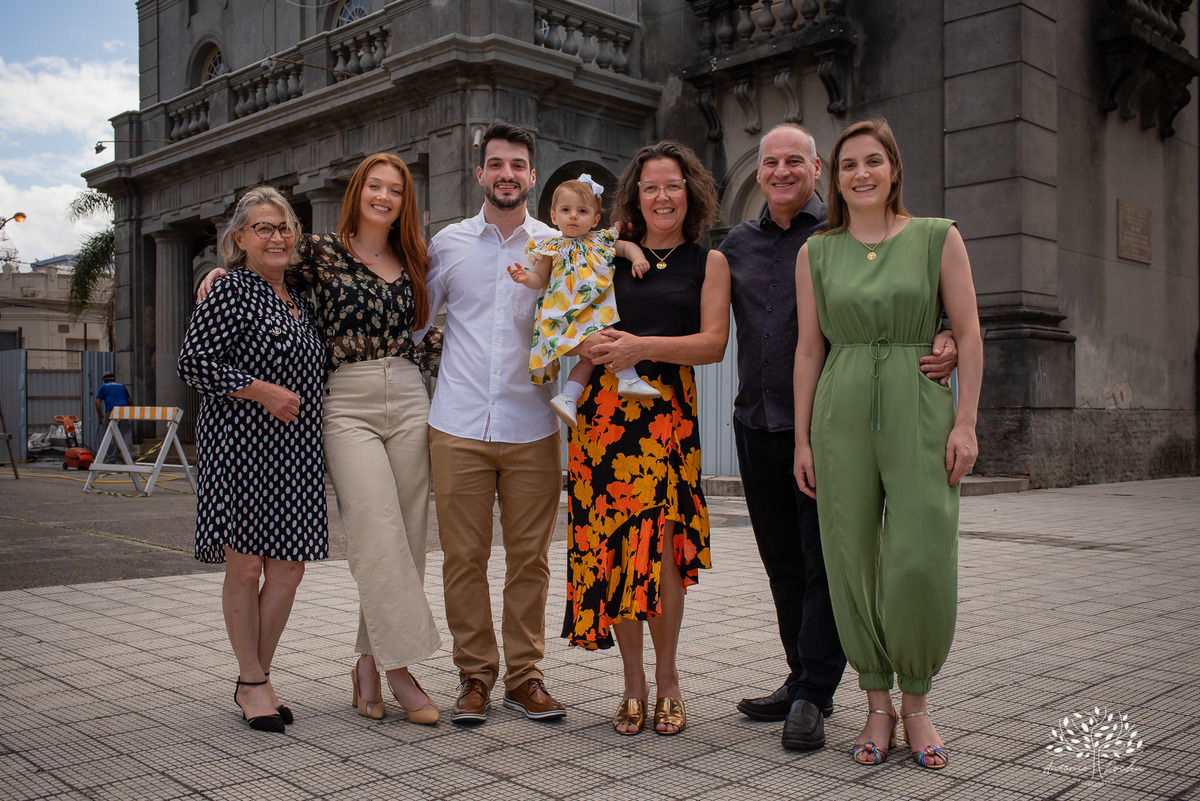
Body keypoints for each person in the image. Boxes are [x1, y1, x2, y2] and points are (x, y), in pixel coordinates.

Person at [720, 123, 958, 752]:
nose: (780, 172)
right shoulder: (738, 243)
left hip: (855, 419)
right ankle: (806, 677)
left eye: (794, 161)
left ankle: (817, 693)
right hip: (762, 422)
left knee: (851, 560)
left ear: (814, 168)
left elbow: (931, 302)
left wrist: (948, 338)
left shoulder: (844, 235)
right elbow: (739, 329)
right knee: (789, 566)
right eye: (769, 162)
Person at [196, 154, 443, 726]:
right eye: (374, 186)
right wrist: (217, 271)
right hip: (344, 401)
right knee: (375, 527)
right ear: (356, 191)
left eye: (396, 190)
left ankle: (367, 662)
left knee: (406, 536)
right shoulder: (319, 251)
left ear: (406, 201)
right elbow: (261, 260)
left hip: (407, 392)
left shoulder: (415, 258)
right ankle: (400, 667)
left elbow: (421, 335)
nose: (384, 197)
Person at [792, 119, 983, 769]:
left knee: (921, 551)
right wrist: (802, 437)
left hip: (919, 403)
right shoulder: (816, 252)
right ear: (835, 177)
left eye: (874, 161)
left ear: (894, 169)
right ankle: (876, 703)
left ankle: (917, 702)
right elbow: (809, 347)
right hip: (840, 407)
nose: (862, 174)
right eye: (849, 165)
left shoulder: (938, 236)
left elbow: (970, 330)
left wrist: (966, 421)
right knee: (850, 557)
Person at [562, 141, 730, 737]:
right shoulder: (603, 253)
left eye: (674, 186)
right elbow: (570, 314)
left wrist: (641, 346)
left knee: (661, 553)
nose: (663, 197)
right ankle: (631, 684)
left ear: (692, 194)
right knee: (612, 548)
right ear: (636, 195)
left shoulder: (708, 262)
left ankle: (668, 680)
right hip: (606, 413)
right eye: (652, 186)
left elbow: (712, 344)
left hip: (666, 416)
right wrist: (586, 344)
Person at [422, 123, 567, 725]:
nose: (507, 173)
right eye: (496, 164)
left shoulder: (558, 245)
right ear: (480, 173)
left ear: (532, 175)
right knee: (464, 559)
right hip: (457, 425)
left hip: (534, 424)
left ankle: (525, 677)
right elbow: (410, 317)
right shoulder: (447, 244)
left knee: (530, 559)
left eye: (519, 165)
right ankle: (475, 676)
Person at [178, 186, 327, 734]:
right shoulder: (231, 290)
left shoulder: (300, 298)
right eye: (262, 227)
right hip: (241, 448)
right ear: (237, 239)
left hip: (296, 451)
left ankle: (252, 677)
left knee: (288, 568)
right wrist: (259, 389)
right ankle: (255, 681)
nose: (276, 236)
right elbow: (194, 363)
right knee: (245, 565)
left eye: (284, 226)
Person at [507, 174, 658, 426]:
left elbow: (624, 248)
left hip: (591, 308)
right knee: (605, 343)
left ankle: (568, 397)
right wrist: (525, 277)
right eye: (566, 210)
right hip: (562, 313)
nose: (574, 216)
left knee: (590, 357)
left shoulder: (599, 240)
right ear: (554, 216)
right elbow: (539, 278)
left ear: (595, 219)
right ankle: (627, 377)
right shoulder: (550, 247)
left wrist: (638, 257)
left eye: (582, 210)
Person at [93, 370, 132, 463]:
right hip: (124, 411)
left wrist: (100, 417)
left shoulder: (103, 387)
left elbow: (97, 404)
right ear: (114, 379)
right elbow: (130, 401)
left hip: (111, 411)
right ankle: (128, 458)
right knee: (126, 434)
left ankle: (112, 458)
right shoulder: (121, 386)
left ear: (104, 380)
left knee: (110, 434)